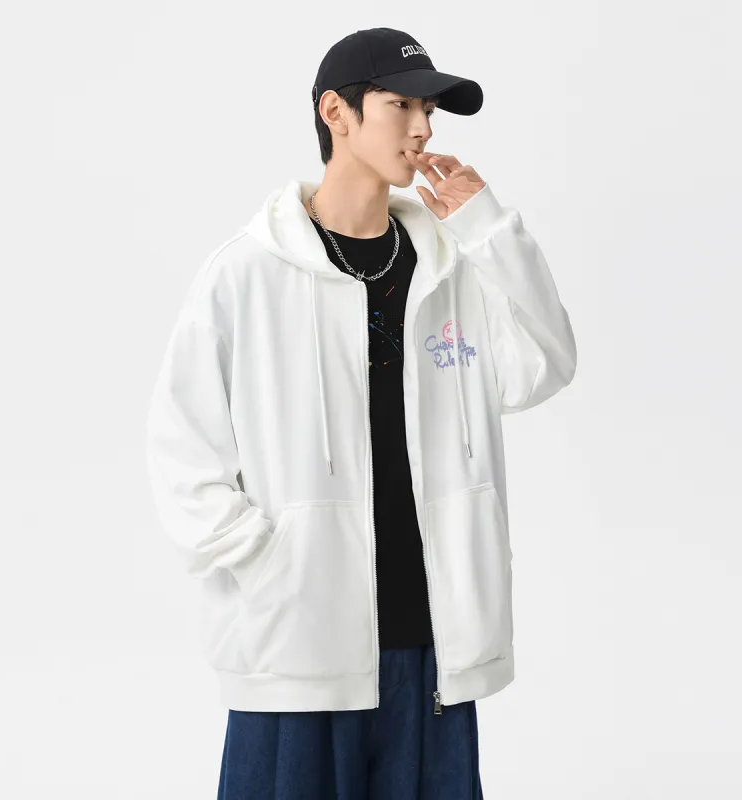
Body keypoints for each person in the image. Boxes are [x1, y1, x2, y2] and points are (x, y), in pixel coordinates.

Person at [145, 26, 577, 799]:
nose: (423, 128)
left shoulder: (453, 266)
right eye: (400, 105)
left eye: (429, 110)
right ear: (335, 113)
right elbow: (182, 453)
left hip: (433, 647)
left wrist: (489, 228)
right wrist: (272, 567)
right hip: (301, 651)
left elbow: (545, 365)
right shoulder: (246, 274)